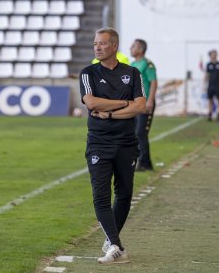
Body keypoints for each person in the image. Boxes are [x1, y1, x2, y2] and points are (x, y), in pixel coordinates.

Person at [79, 27, 146, 264]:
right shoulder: (88, 73)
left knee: (125, 193)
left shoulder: (133, 73)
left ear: (114, 46)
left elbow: (140, 107)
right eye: (95, 43)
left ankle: (111, 243)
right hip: (99, 142)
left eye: (102, 43)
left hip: (127, 142)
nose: (97, 47)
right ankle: (116, 246)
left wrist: (110, 114)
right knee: (100, 195)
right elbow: (91, 102)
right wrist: (123, 103)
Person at [130, 39, 157, 171]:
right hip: (135, 103)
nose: (131, 48)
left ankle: (145, 163)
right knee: (135, 133)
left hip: (145, 103)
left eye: (133, 46)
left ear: (140, 49)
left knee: (141, 132)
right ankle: (143, 162)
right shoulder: (133, 64)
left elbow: (153, 82)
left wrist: (150, 101)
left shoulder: (148, 64)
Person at [204, 50, 219, 121]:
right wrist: (204, 85)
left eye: (215, 54)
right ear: (210, 56)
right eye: (212, 54)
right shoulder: (208, 65)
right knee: (210, 100)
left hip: (217, 85)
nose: (214, 56)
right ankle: (210, 114)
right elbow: (206, 75)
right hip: (210, 85)